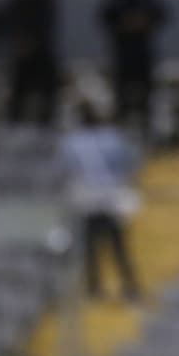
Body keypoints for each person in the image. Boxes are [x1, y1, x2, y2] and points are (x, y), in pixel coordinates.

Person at [61, 99, 142, 301]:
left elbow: (67, 170)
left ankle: (94, 287)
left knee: (90, 245)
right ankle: (129, 286)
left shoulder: (73, 142)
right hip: (112, 197)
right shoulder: (113, 138)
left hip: (87, 199)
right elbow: (130, 165)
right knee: (118, 245)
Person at [99, 0, 168, 134]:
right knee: (122, 93)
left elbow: (162, 14)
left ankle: (145, 124)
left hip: (141, 52)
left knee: (145, 93)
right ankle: (123, 124)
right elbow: (105, 15)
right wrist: (124, 23)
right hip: (124, 53)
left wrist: (144, 21)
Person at [2, 0, 60, 124]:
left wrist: (20, 39)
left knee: (23, 87)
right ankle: (43, 118)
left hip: (27, 46)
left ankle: (18, 118)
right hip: (37, 45)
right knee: (41, 86)